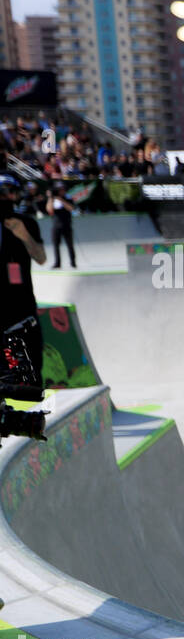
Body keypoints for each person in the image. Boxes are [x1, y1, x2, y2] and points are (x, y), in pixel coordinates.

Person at [0, 175, 48, 441]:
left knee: (28, 375)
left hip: (22, 314)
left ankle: (30, 420)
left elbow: (41, 258)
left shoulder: (26, 222)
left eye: (8, 193)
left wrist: (24, 236)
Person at [44, 183, 76, 269]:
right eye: (59, 189)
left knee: (70, 245)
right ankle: (57, 263)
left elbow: (71, 208)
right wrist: (51, 198)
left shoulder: (68, 198)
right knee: (56, 245)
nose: (61, 191)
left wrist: (61, 200)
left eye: (62, 189)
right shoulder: (53, 200)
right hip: (56, 226)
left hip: (66, 225)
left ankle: (73, 262)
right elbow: (49, 210)